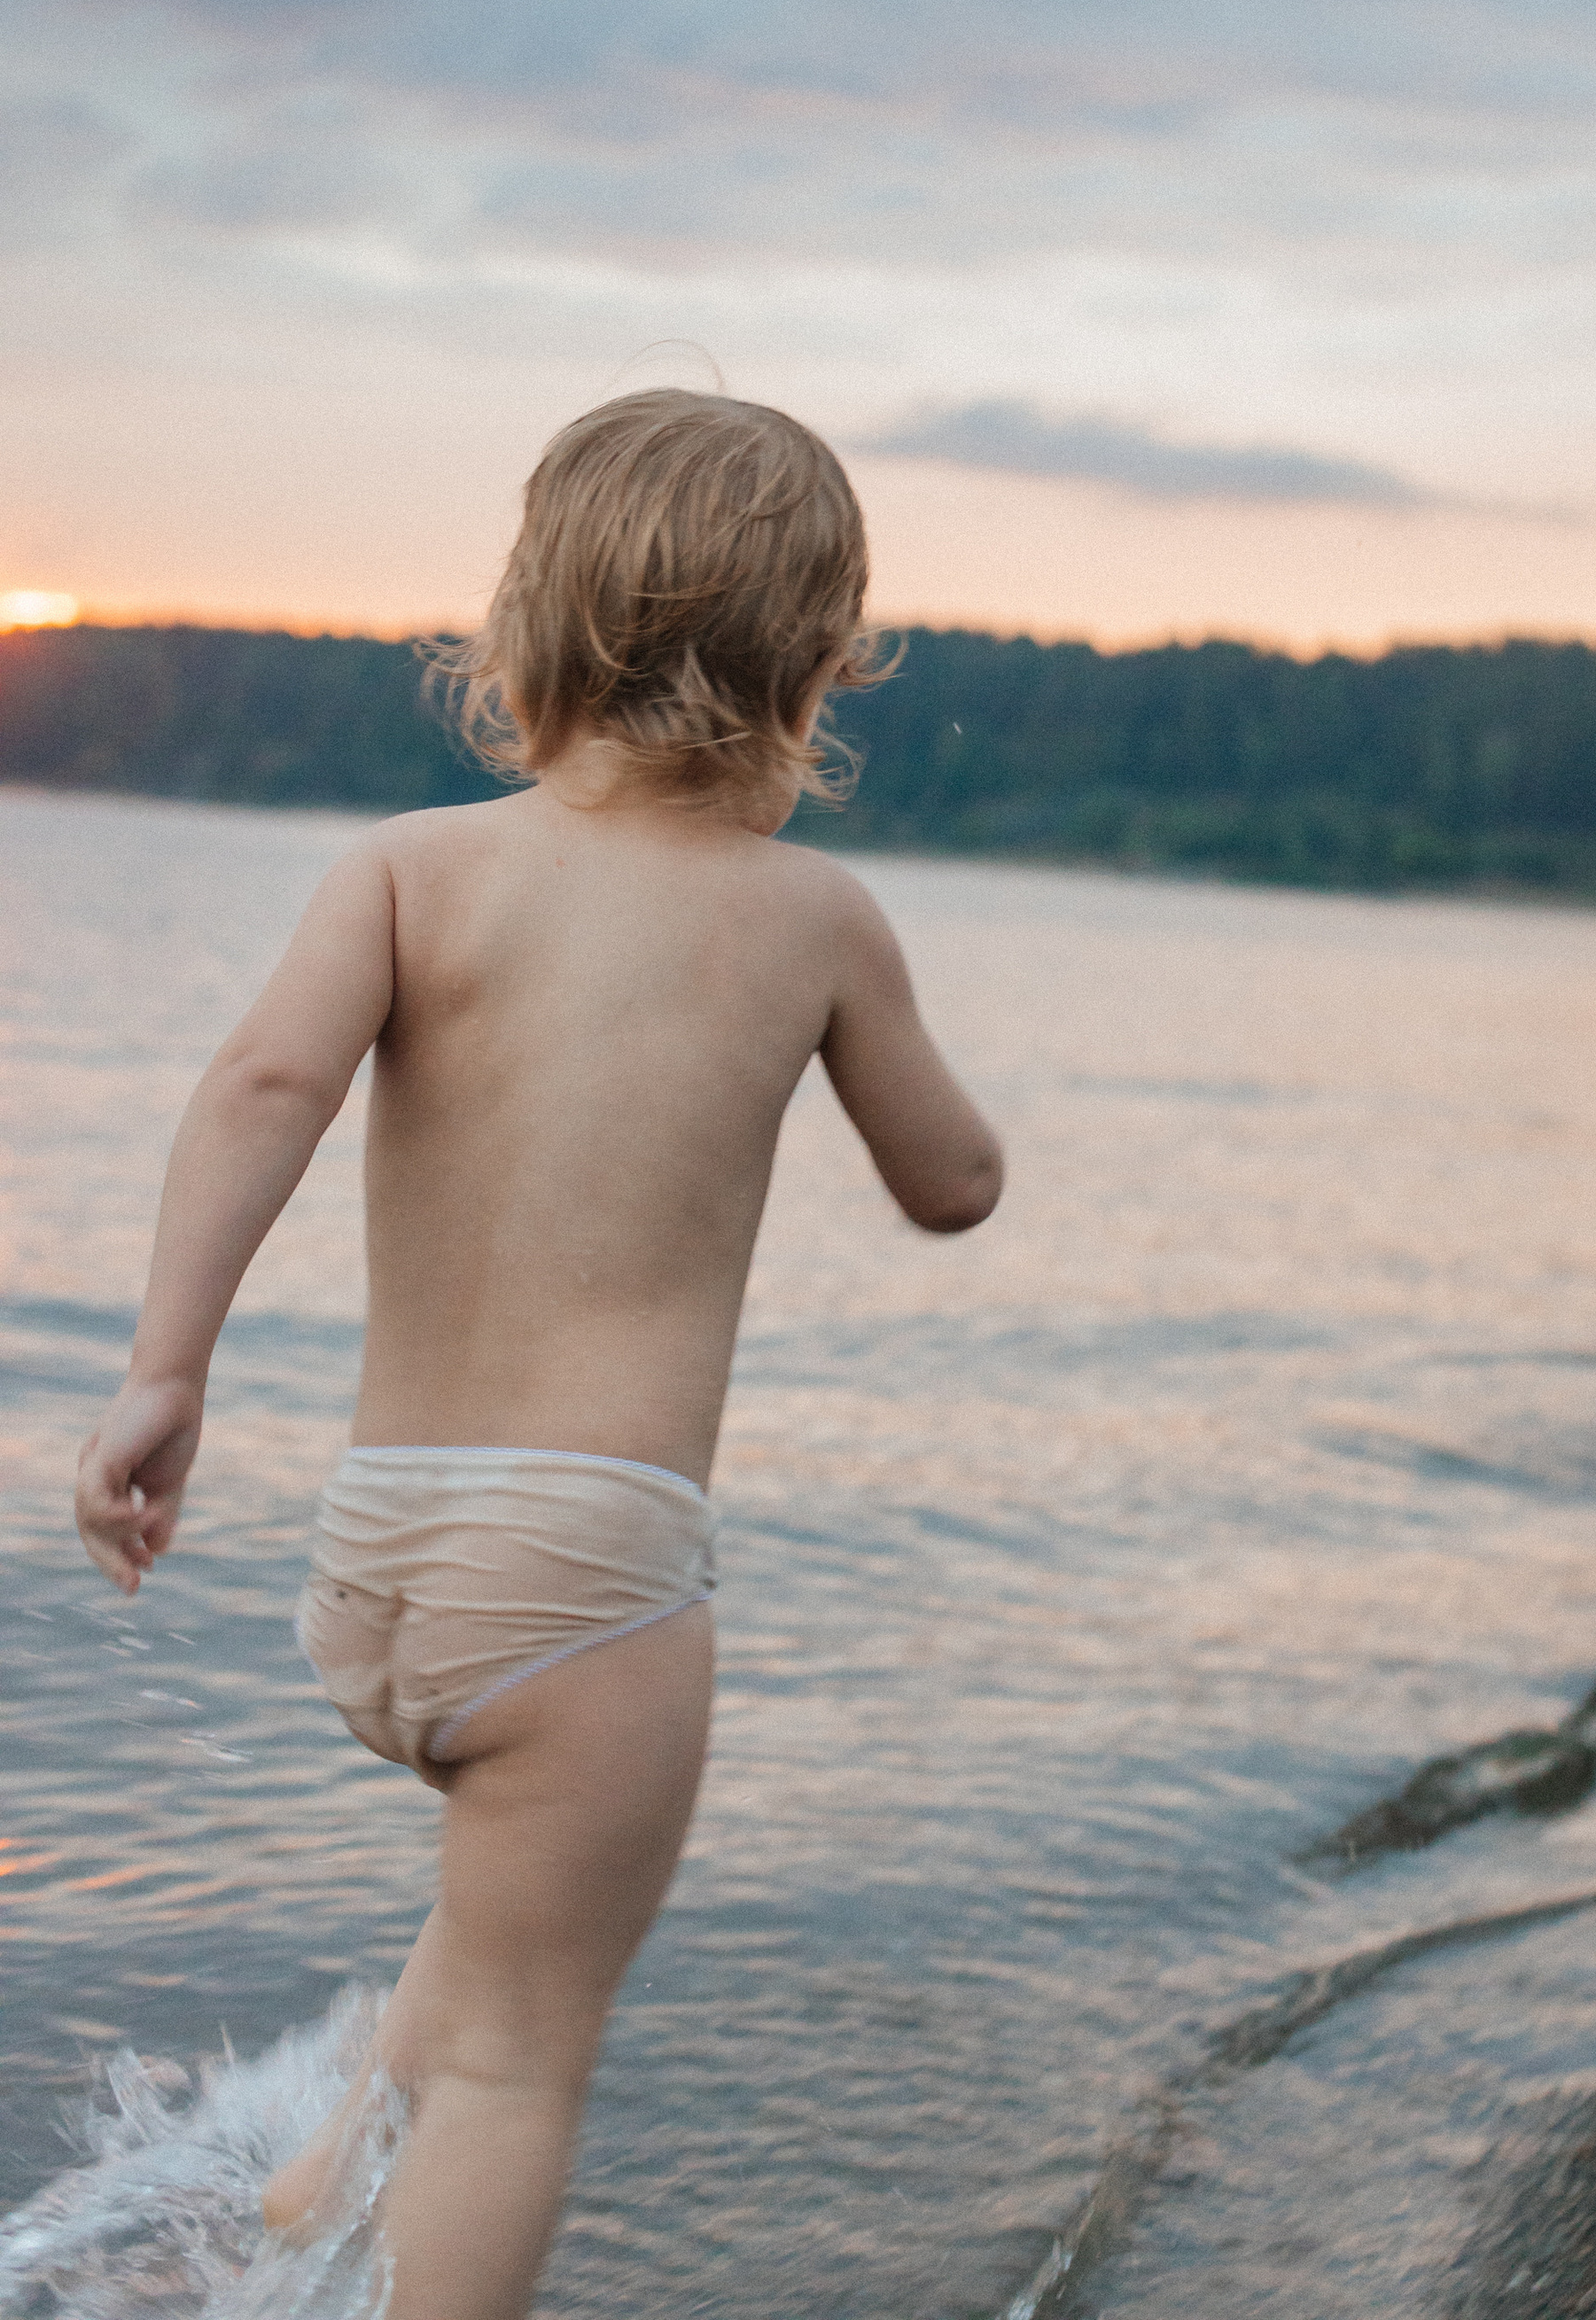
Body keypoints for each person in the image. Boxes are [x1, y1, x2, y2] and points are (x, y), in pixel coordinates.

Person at [73, 388, 1004, 2320]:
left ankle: (286, 2237)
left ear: (528, 621)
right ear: (817, 667)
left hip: (383, 1557)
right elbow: (949, 1182)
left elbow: (261, 1086)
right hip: (585, 1571)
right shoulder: (814, 915)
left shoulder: (412, 867)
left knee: (479, 1953)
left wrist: (167, 1370)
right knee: (519, 2049)